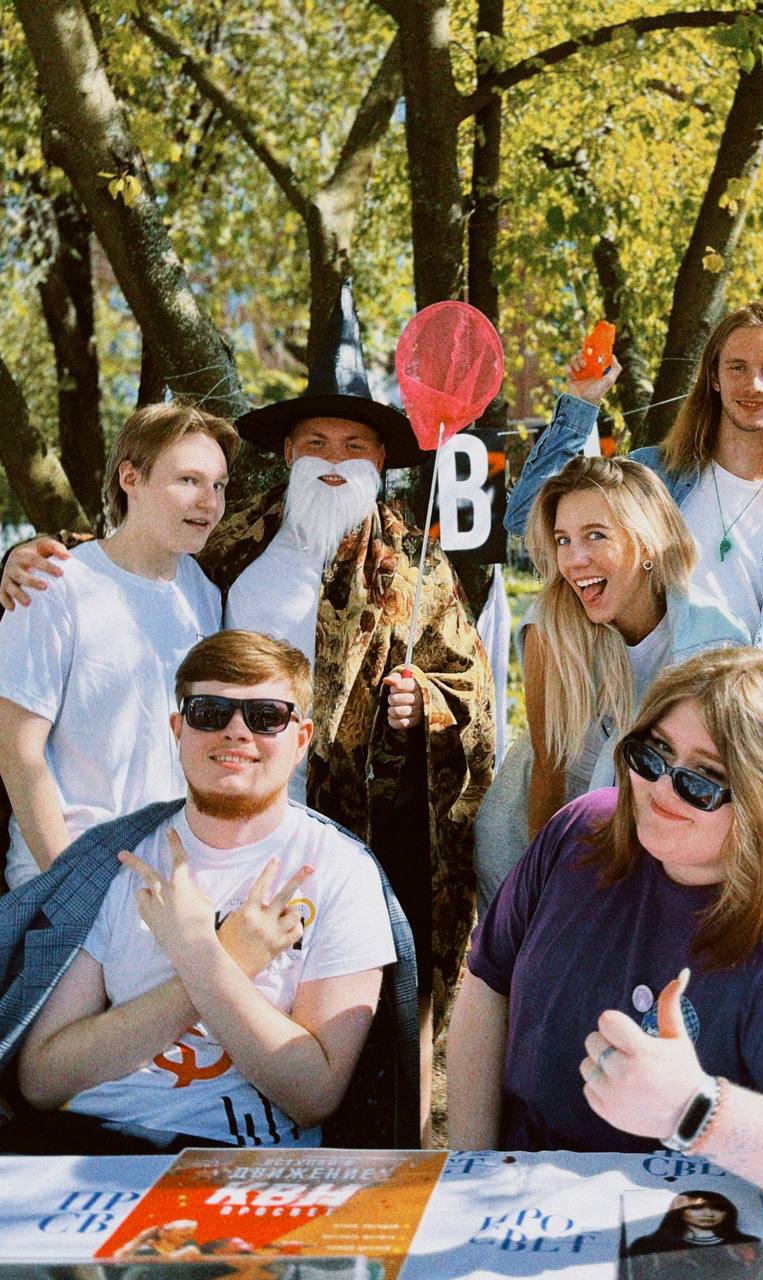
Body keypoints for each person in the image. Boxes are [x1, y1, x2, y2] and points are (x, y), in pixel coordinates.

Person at [0, 284, 495, 1131]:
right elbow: (131, 561)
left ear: (381, 462)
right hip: (175, 840)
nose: (334, 458)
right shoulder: (231, 546)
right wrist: (24, 562)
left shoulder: (415, 571)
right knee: (123, 1061)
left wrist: (427, 710)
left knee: (298, 1043)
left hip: (328, 842)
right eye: (317, 442)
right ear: (291, 453)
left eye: (355, 446)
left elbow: (470, 689)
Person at [449, 647, 763, 1217]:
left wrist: (696, 1110)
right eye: (652, 755)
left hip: (670, 1234)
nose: (661, 790)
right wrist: (468, 1170)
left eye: (704, 781)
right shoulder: (581, 830)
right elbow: (488, 982)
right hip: (511, 1208)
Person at [5, 631, 397, 1153]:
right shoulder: (115, 859)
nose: (237, 731)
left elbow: (314, 1095)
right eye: (209, 713)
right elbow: (42, 1078)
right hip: (83, 1140)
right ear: (178, 729)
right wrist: (229, 958)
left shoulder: (341, 870)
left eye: (266, 716)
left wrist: (198, 952)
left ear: (301, 739)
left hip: (237, 1158)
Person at [473, 455, 749, 911]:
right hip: (542, 841)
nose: (574, 560)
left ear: (646, 543)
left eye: (596, 535)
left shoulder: (716, 641)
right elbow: (548, 769)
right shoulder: (553, 628)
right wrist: (547, 891)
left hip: (668, 843)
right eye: (563, 540)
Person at [0, 402, 237, 889]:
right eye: (189, 480)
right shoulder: (53, 584)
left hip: (169, 879)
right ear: (131, 478)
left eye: (219, 485)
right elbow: (17, 754)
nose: (209, 502)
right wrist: (69, 883)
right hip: (66, 874)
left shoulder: (205, 596)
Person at [504, 303, 763, 647]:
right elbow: (525, 516)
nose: (754, 384)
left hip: (750, 682)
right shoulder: (651, 476)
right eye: (737, 367)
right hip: (650, 681)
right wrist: (580, 403)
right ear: (714, 377)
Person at [626, 1190, 763, 1280]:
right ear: (680, 1209)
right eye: (698, 1208)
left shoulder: (747, 1244)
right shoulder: (647, 1245)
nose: (709, 1213)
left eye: (717, 1209)